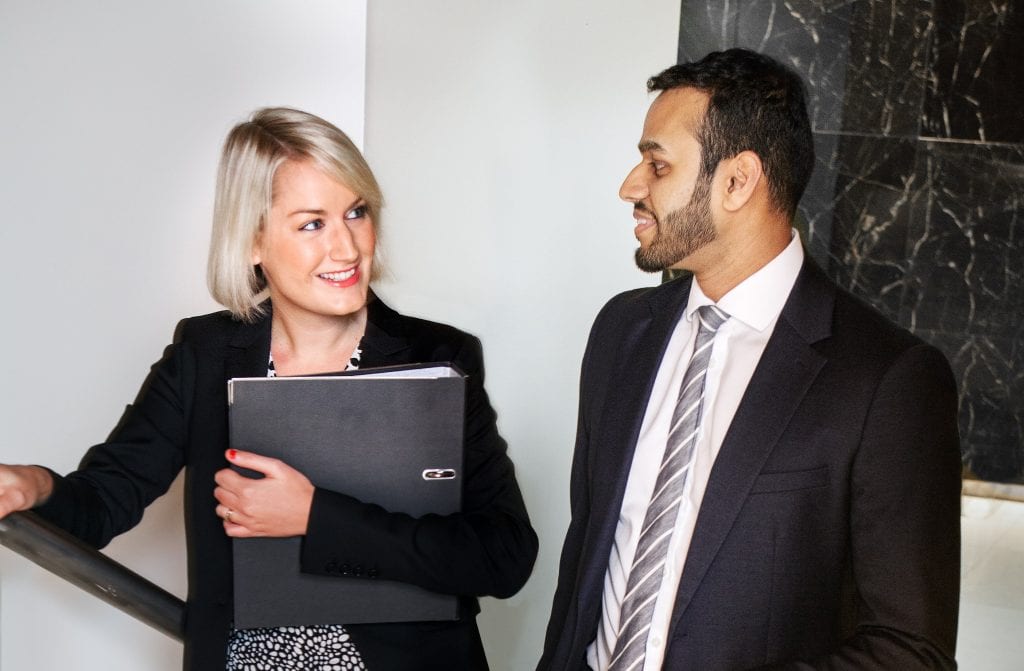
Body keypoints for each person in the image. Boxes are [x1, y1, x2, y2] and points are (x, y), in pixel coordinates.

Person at [0, 107, 538, 671]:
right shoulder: (203, 355)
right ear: (253, 241)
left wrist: (315, 517)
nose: (347, 249)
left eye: (357, 213)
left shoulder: (439, 356)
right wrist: (33, 485)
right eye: (312, 224)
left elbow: (504, 557)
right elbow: (100, 505)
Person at [538, 48, 961, 670]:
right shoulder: (621, 331)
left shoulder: (888, 380)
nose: (631, 186)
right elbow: (587, 565)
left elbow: (909, 650)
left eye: (657, 165)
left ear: (737, 181)